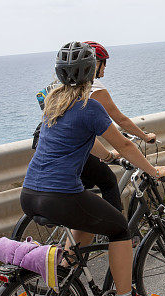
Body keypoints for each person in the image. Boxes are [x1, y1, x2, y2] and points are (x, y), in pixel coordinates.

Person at [21, 41, 165, 296]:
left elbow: (87, 141)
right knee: (118, 227)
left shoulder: (53, 101)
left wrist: (106, 156)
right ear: (91, 70)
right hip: (60, 196)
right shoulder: (89, 106)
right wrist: (152, 170)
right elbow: (127, 145)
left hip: (30, 194)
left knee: (86, 219)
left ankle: (65, 278)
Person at [33, 41, 156, 214]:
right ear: (94, 65)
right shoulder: (95, 92)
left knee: (87, 190)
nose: (105, 68)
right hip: (64, 172)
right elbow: (121, 122)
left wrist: (106, 155)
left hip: (41, 166)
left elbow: (79, 133)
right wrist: (144, 138)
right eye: (104, 63)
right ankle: (117, 226)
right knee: (108, 181)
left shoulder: (59, 91)